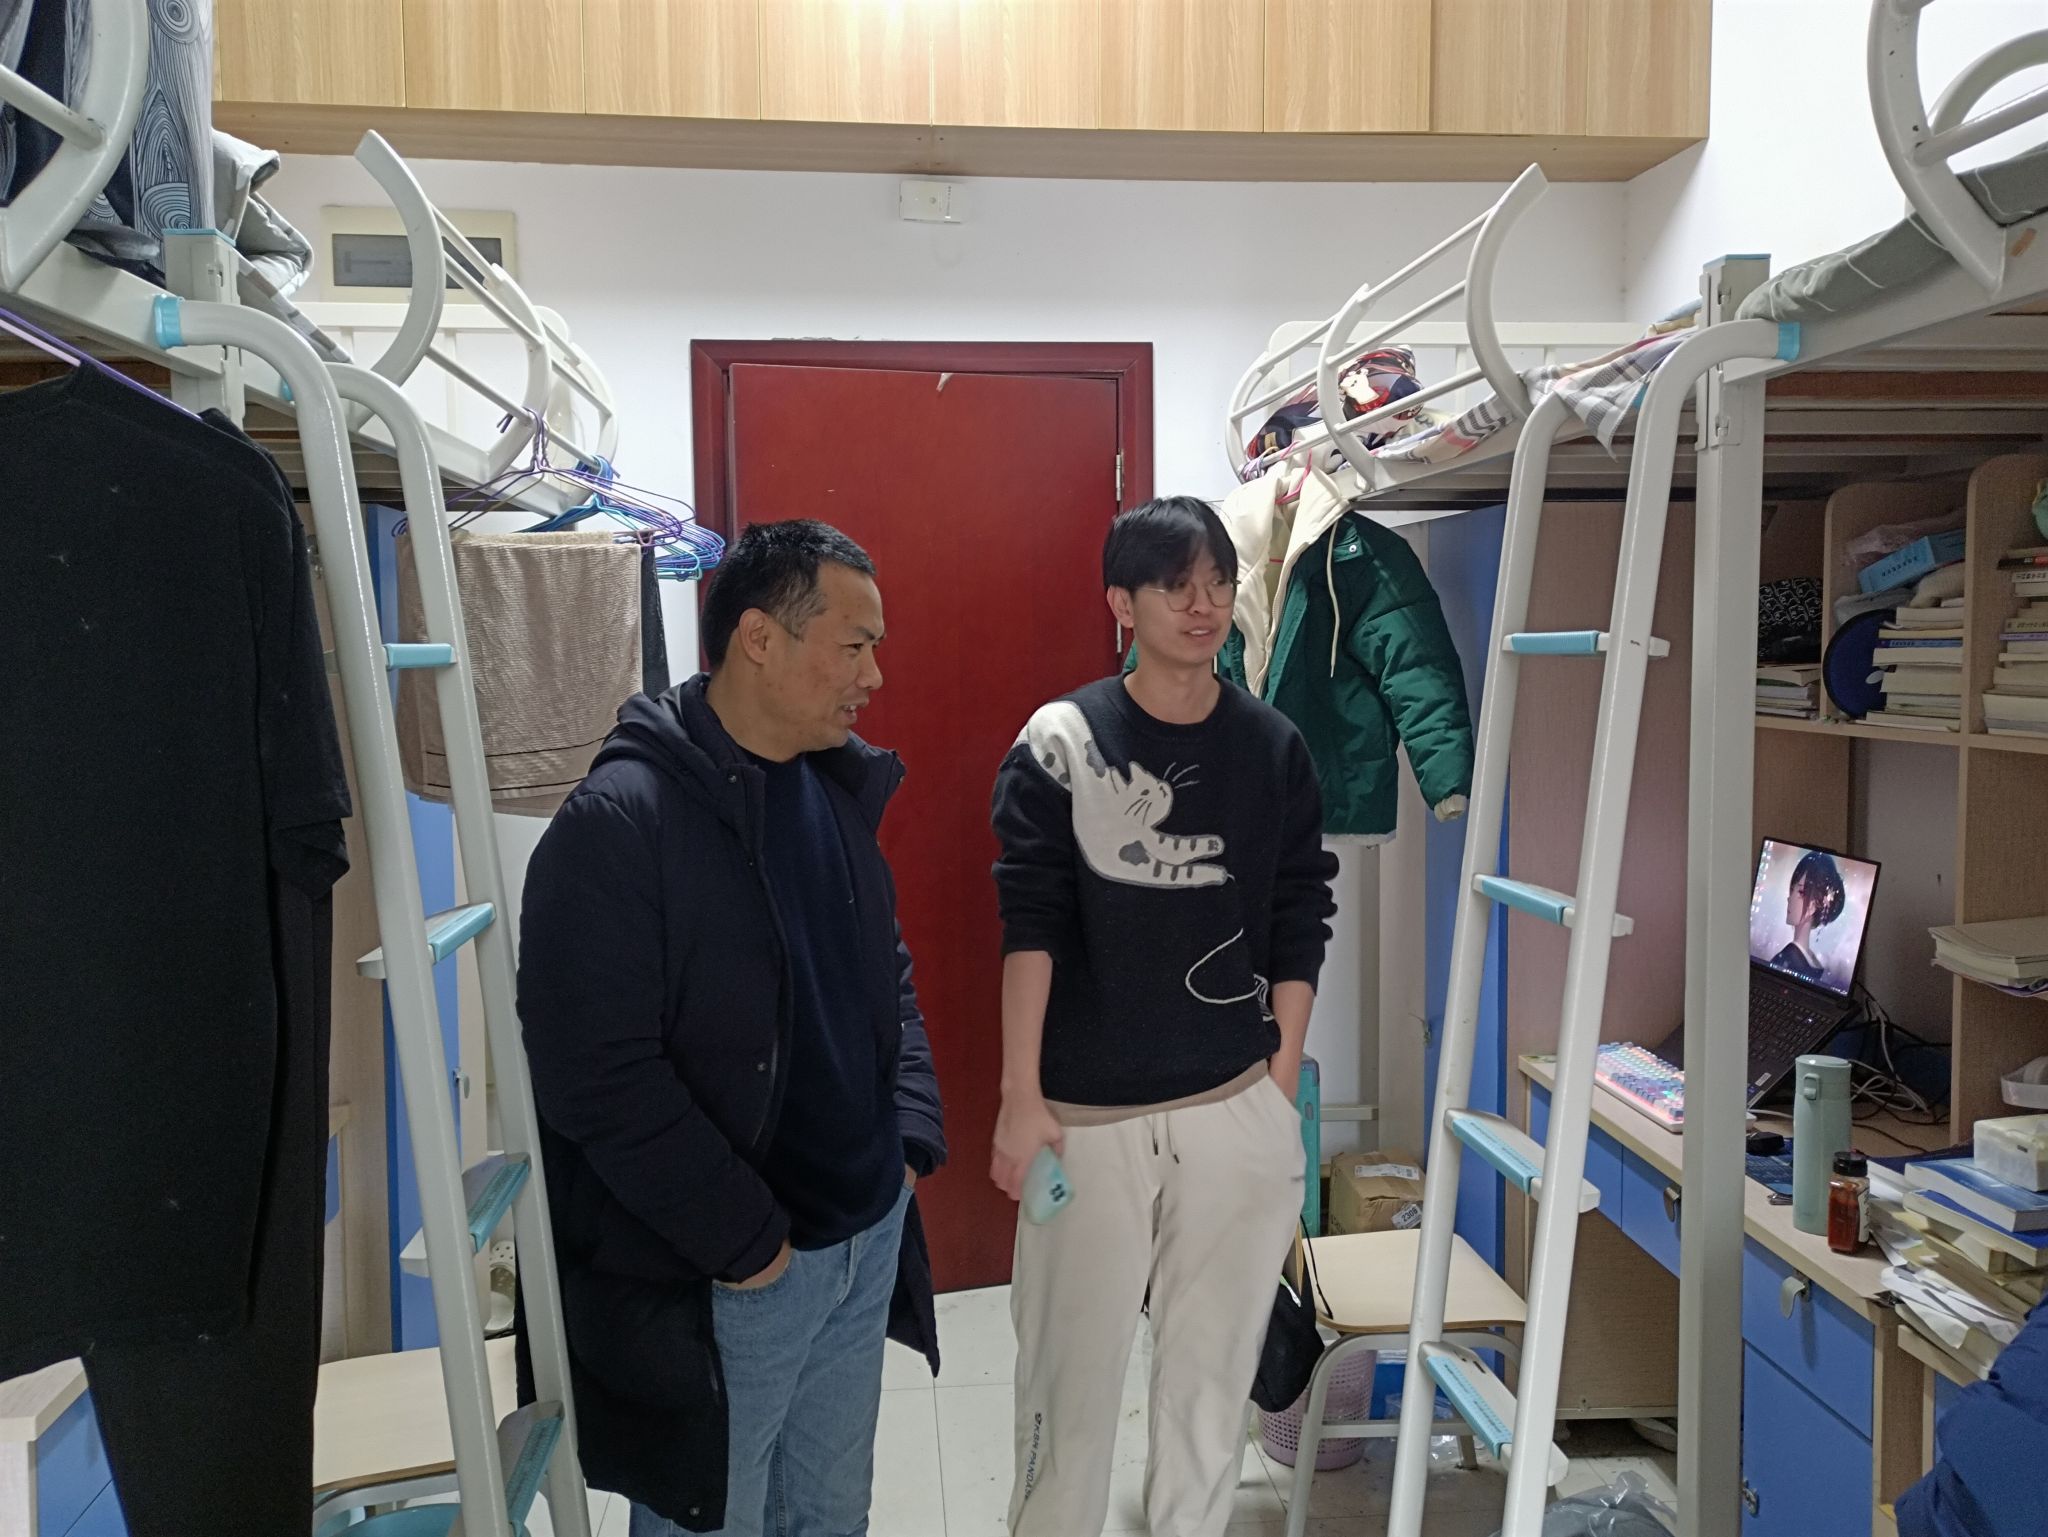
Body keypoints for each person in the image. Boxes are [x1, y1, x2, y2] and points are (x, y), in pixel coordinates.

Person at [518, 520, 947, 1537]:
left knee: (830, 1516)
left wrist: (907, 1135)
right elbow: (596, 1076)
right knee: (714, 1521)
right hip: (732, 1276)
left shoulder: (831, 785)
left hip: (861, 1239)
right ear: (759, 637)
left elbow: (882, 969)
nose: (875, 676)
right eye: (854, 646)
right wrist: (748, 1244)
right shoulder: (620, 822)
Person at [988, 495, 1339, 1537]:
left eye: (1218, 583)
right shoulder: (1062, 738)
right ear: (1121, 602)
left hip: (1232, 1105)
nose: (1203, 604)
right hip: (1084, 1119)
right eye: (1175, 585)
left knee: (1209, 1384)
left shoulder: (1272, 746)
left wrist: (1278, 1085)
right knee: (1066, 1382)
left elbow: (1298, 915)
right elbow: (1030, 921)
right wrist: (1019, 1096)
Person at [1772, 848, 1846, 984]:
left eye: (1800, 892)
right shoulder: (1812, 960)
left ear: (1813, 905)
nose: (1790, 898)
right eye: (1792, 889)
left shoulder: (1788, 958)